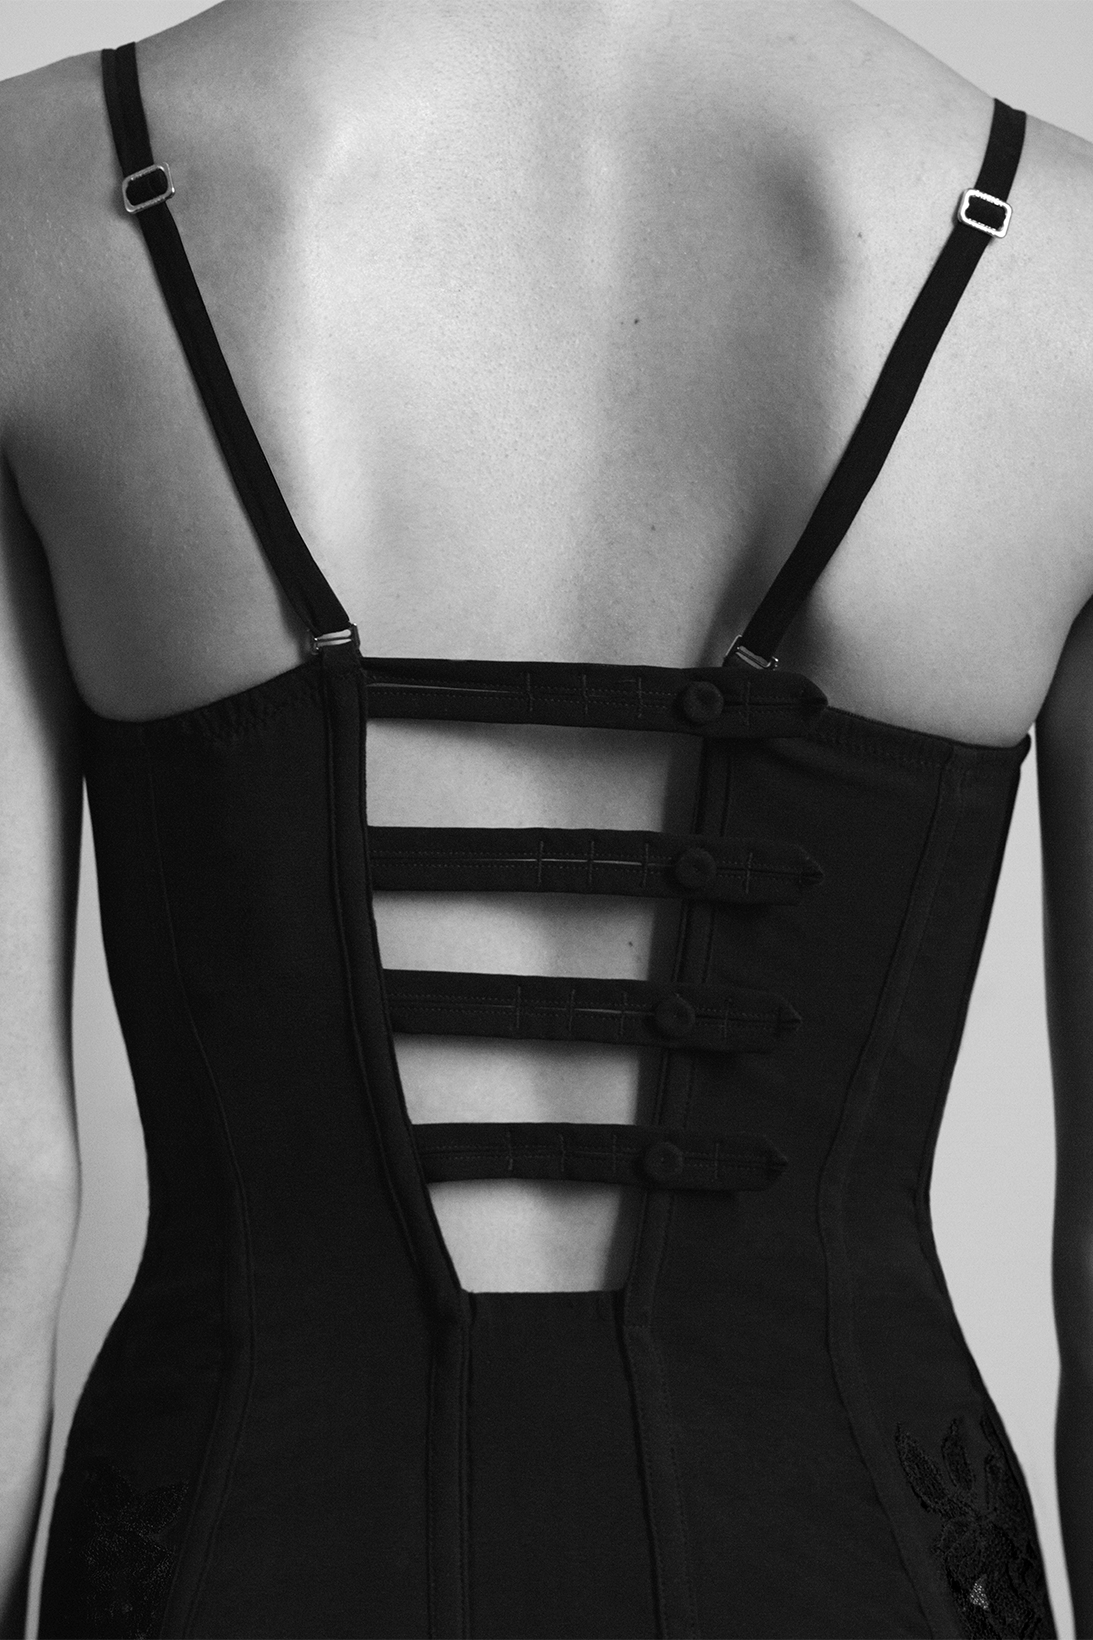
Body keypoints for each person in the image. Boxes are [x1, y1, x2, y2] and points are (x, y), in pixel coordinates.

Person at [0, 0, 1091, 1634]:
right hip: (849, 1556)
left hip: (241, 1555)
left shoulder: (38, 193)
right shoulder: (1064, 260)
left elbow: (3, 1185)